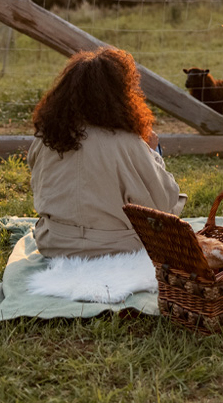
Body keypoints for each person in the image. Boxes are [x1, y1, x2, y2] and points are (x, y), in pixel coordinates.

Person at [28, 47, 185, 258]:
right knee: (175, 202)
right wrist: (152, 151)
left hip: (54, 243)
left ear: (65, 92)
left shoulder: (45, 137)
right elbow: (162, 201)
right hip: (116, 248)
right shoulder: (128, 142)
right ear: (121, 95)